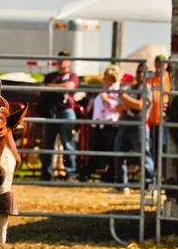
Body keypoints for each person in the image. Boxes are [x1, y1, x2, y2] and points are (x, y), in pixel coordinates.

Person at [113, 63, 155, 194]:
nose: (141, 75)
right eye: (139, 72)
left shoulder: (147, 88)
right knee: (118, 154)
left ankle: (149, 186)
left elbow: (140, 105)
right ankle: (121, 185)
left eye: (143, 72)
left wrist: (124, 98)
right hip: (124, 125)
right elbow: (118, 107)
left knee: (144, 156)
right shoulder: (130, 87)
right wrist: (125, 102)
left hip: (139, 127)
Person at [37, 51, 79, 181]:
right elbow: (44, 89)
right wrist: (57, 87)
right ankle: (46, 173)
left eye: (65, 59)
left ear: (69, 62)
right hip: (50, 112)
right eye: (60, 59)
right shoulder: (50, 76)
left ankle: (70, 173)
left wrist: (52, 87)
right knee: (47, 143)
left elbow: (70, 87)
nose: (62, 62)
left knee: (68, 142)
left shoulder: (72, 76)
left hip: (65, 111)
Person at [84, 64, 121, 182]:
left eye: (108, 76)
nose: (105, 78)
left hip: (111, 123)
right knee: (97, 148)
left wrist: (107, 100)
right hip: (100, 122)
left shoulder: (118, 89)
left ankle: (110, 175)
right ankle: (89, 173)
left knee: (109, 150)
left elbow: (119, 107)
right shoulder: (103, 89)